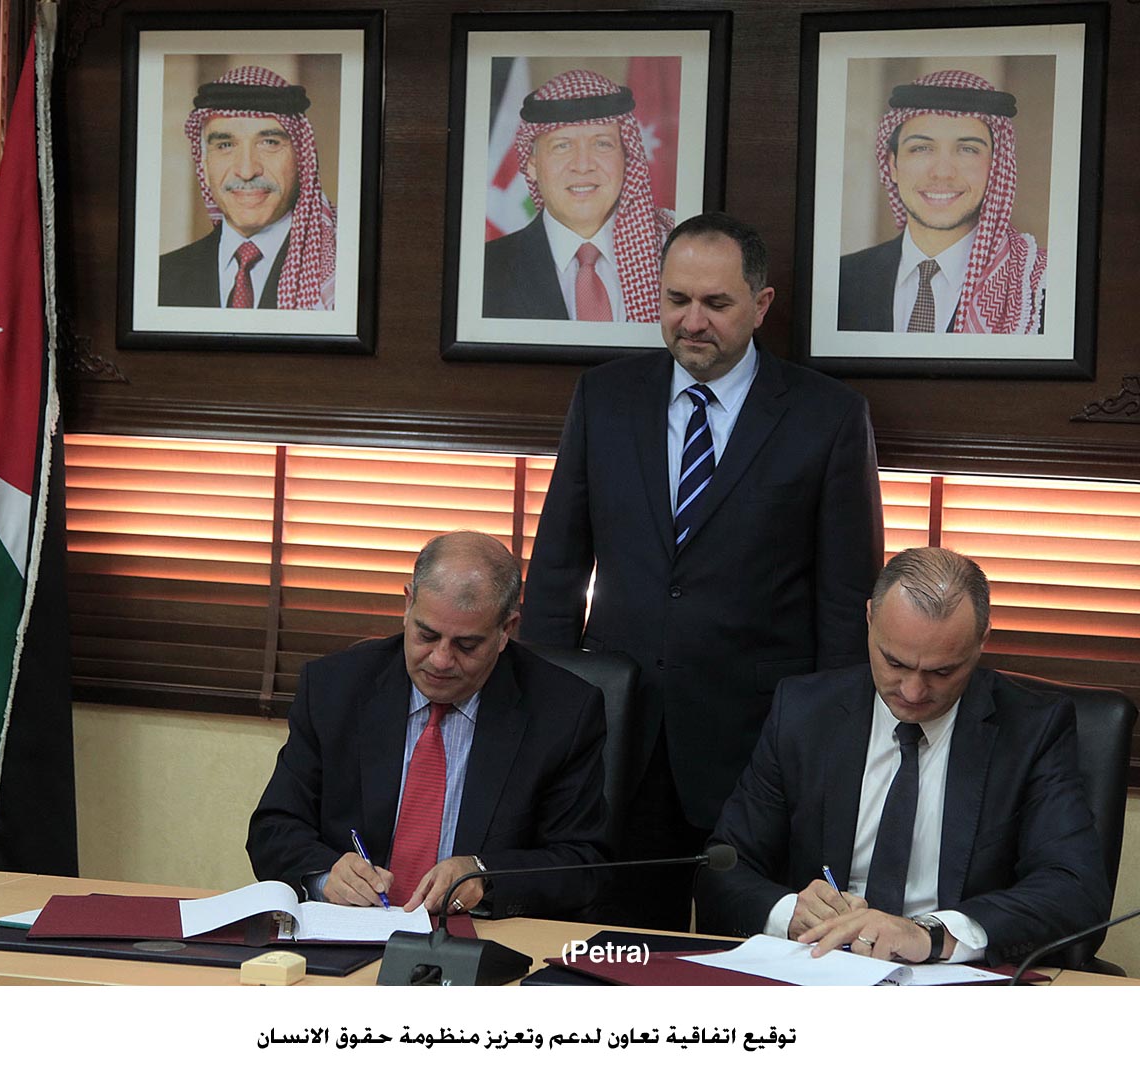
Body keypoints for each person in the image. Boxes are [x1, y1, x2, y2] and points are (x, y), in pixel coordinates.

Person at [519, 212, 884, 929]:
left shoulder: (829, 417)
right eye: (676, 299)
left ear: (761, 304)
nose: (692, 322)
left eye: (716, 303)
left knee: (747, 955)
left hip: (759, 747)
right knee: (621, 953)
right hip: (620, 740)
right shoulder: (604, 398)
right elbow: (558, 568)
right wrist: (539, 717)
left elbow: (846, 602)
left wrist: (832, 747)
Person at [697, 548, 1110, 966]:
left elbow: (1074, 889)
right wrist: (791, 914)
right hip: (824, 967)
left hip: (950, 978)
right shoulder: (804, 714)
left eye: (942, 672)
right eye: (894, 662)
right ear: (870, 619)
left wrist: (932, 933)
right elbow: (722, 868)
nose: (912, 691)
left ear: (982, 640)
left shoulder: (1031, 731)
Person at [246, 531, 609, 919]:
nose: (440, 660)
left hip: (478, 935)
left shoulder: (563, 713)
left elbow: (582, 864)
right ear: (408, 605)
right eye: (427, 635)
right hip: (352, 928)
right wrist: (324, 876)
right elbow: (275, 827)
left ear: (507, 629)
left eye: (466, 645)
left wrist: (485, 875)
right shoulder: (335, 689)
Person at [838, 69, 1046, 335]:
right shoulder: (841, 279)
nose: (942, 172)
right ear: (892, 165)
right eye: (921, 148)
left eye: (968, 149)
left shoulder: (1037, 289)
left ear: (996, 167)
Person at [483, 68, 673, 322]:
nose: (583, 165)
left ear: (627, 157)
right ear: (532, 165)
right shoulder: (485, 270)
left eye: (602, 144)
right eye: (562, 146)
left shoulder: (674, 255)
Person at [159, 65, 337, 311]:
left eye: (269, 142)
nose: (246, 170)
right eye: (225, 145)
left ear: (302, 160)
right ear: (204, 166)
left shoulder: (339, 274)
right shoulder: (161, 278)